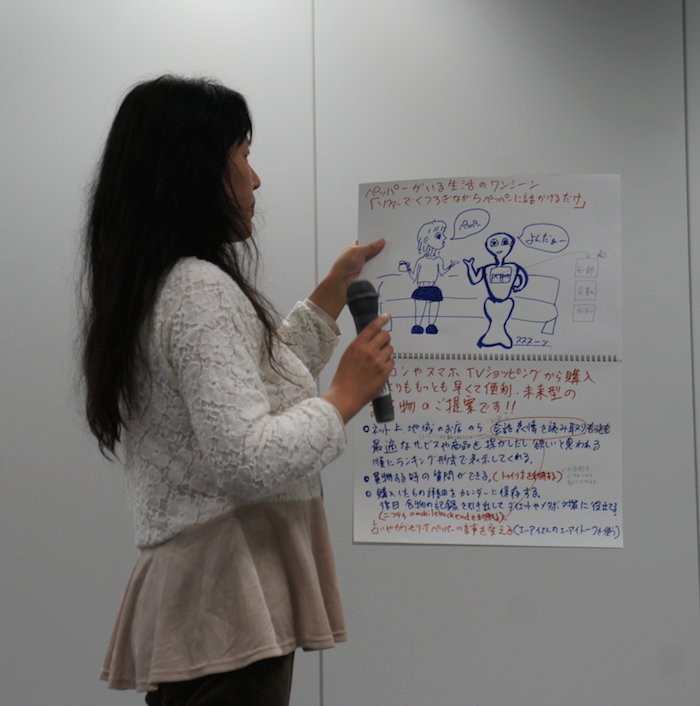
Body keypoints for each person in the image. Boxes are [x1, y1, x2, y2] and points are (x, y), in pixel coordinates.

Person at [79, 75, 393, 705]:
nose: (256, 179)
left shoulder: (160, 283)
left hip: (210, 600)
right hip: (228, 597)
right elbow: (247, 459)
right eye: (243, 155)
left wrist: (332, 293)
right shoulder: (198, 289)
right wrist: (343, 399)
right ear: (194, 171)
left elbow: (249, 384)